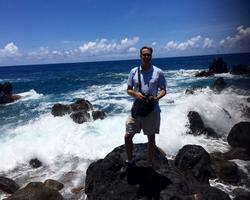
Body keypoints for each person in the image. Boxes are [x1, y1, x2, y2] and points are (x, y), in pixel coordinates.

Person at [124, 46, 166, 167]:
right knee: (128, 135)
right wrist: (136, 94)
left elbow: (163, 90)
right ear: (140, 56)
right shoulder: (134, 71)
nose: (146, 57)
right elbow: (128, 90)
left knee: (151, 138)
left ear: (151, 56)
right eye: (144, 55)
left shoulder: (158, 72)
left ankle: (150, 162)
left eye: (149, 55)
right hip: (137, 109)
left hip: (152, 109)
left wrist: (157, 98)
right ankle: (130, 160)